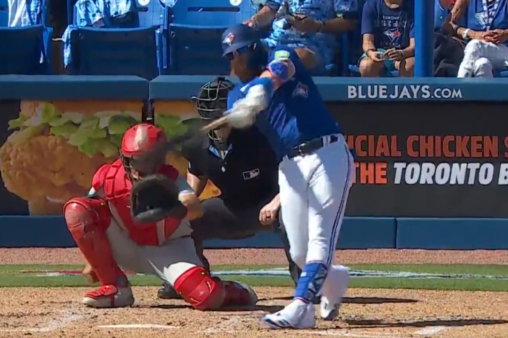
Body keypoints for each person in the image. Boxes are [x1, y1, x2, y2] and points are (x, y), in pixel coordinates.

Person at [220, 24, 354, 329]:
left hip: (328, 154)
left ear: (251, 50)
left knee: (320, 237)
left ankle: (301, 307)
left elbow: (281, 68)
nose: (233, 63)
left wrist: (261, 89)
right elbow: (235, 121)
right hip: (290, 166)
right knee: (299, 251)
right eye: (229, 56)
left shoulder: (280, 55)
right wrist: (237, 114)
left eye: (237, 54)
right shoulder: (237, 94)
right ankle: (334, 279)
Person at [63, 123, 258, 311]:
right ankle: (116, 287)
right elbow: (91, 214)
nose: (142, 167)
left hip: (170, 249)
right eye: (138, 160)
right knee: (75, 209)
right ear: (126, 158)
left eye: (150, 160)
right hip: (127, 244)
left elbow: (195, 208)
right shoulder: (108, 177)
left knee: (208, 297)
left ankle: (234, 291)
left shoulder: (170, 179)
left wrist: (174, 209)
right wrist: (94, 261)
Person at [156, 76, 302, 300]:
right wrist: (180, 205)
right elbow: (196, 176)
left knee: (292, 214)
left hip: (270, 203)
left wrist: (276, 202)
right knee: (184, 220)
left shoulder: (262, 136)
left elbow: (295, 171)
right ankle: (188, 278)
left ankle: (305, 285)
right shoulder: (197, 143)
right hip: (231, 208)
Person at [244, 0, 358, 74]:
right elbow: (270, 9)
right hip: (275, 42)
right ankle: (234, 103)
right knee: (241, 51)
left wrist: (316, 25)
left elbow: (348, 22)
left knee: (294, 57)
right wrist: (253, 22)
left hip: (313, 47)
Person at [359, 0, 415, 77]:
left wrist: (402, 53)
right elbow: (367, 42)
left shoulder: (414, 6)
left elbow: (415, 45)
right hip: (378, 52)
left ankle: (402, 88)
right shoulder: (371, 4)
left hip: (404, 54)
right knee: (366, 66)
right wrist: (371, 53)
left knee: (411, 65)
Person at [452, 0, 508, 77]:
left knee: (475, 45)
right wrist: (473, 34)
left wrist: (505, 33)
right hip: (476, 52)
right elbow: (449, 25)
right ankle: (485, 89)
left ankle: (460, 85)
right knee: (482, 64)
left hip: (503, 50)